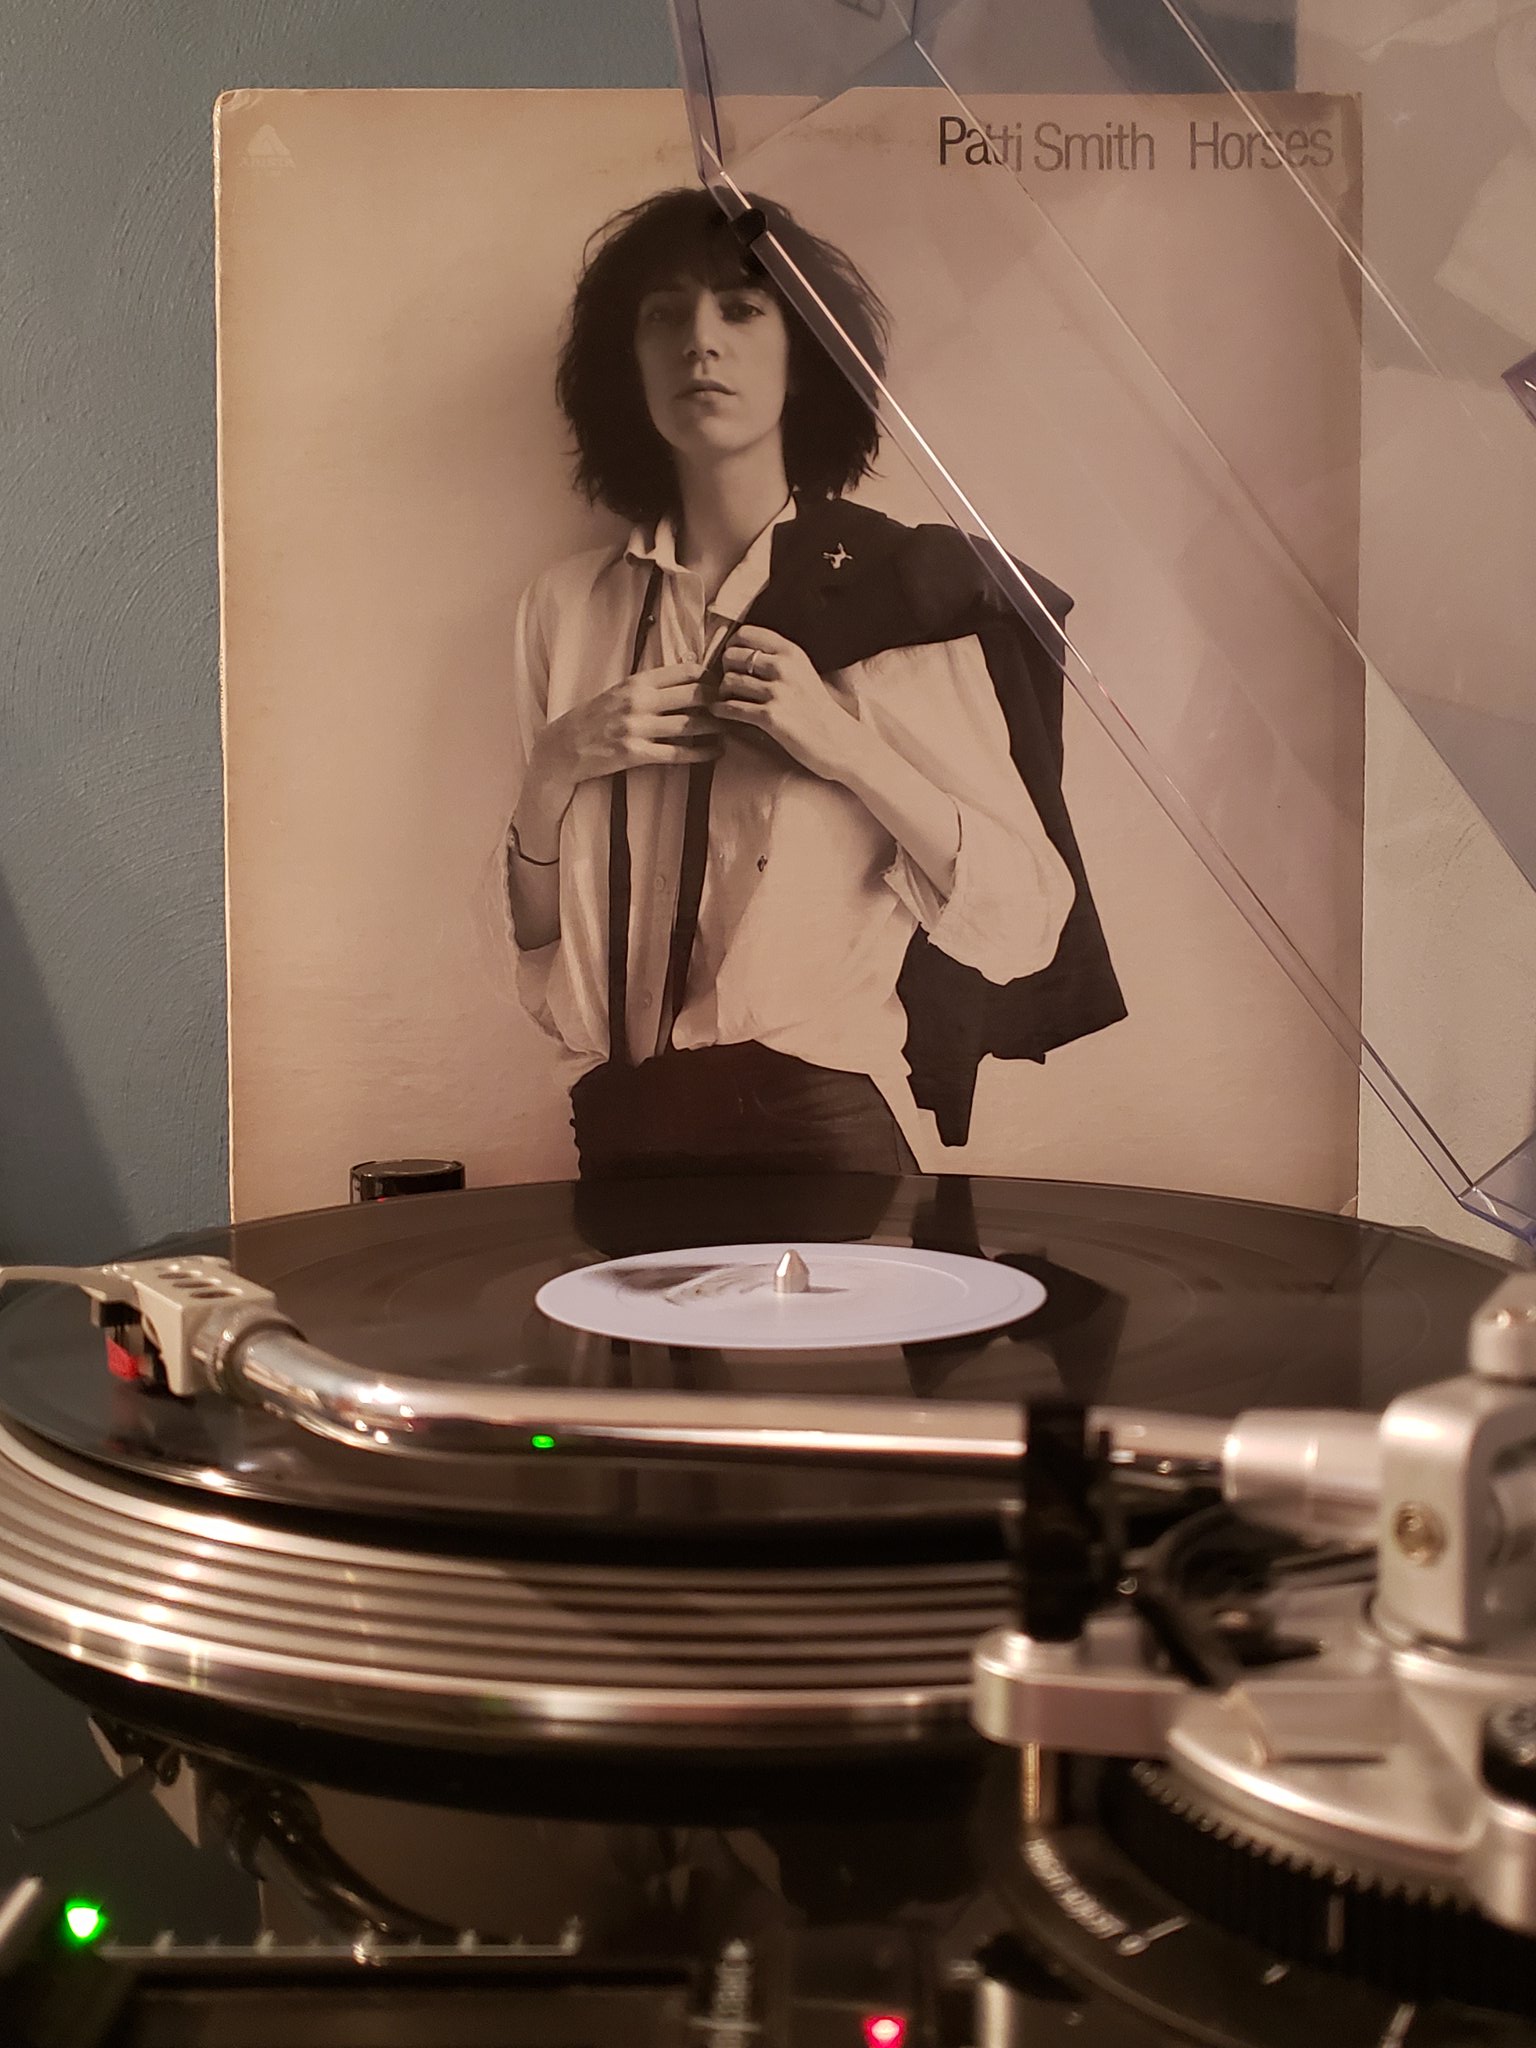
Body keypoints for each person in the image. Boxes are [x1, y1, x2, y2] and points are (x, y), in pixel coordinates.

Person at [506, 187, 1123, 1179]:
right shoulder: (566, 607)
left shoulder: (895, 591)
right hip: (613, 1140)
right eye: (663, 315)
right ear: (628, 364)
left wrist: (842, 747)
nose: (699, 341)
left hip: (818, 1151)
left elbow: (1025, 922)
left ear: (805, 358)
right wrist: (552, 768)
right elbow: (542, 960)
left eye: (742, 308)